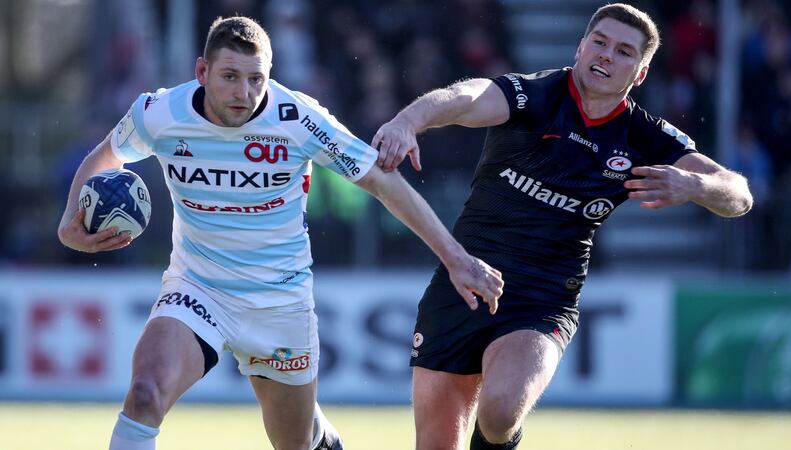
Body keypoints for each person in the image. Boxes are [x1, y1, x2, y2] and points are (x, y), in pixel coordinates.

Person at [56, 16, 503, 450]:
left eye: (256, 79)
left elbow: (382, 182)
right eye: (230, 76)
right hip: (197, 288)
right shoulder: (159, 112)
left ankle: (320, 437)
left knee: (296, 442)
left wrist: (455, 258)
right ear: (201, 71)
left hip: (279, 304)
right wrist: (68, 222)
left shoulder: (297, 119)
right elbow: (105, 157)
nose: (244, 93)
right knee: (144, 395)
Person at [372, 4, 753, 450]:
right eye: (600, 42)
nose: (607, 55)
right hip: (462, 280)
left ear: (641, 73)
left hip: (543, 298)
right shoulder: (533, 96)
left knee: (499, 413)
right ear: (581, 46)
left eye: (624, 51)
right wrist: (408, 121)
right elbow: (469, 97)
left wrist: (694, 184)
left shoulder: (644, 136)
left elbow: (739, 194)